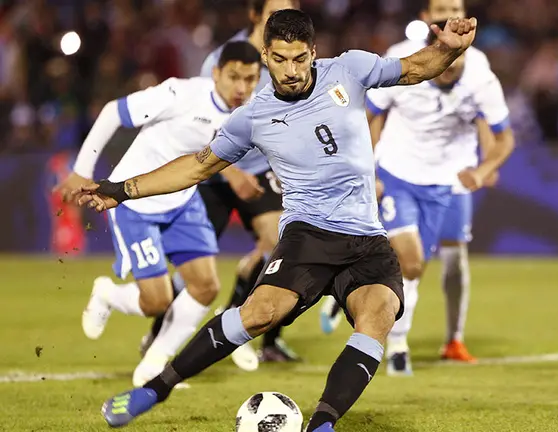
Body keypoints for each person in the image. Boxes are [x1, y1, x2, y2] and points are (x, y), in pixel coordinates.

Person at [74, 10, 478, 431]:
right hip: (308, 234)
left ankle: (321, 423)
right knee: (260, 314)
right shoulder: (253, 117)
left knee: (378, 315)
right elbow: (195, 167)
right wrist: (121, 189)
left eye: (300, 58)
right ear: (266, 56)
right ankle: (155, 388)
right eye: (281, 59)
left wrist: (446, 49)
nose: (291, 70)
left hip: (366, 238)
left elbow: (414, 68)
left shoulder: (350, 70)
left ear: (313, 53)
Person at [318, 0, 514, 376]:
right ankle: (397, 346)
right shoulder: (403, 61)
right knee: (411, 261)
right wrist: (367, 171)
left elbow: (500, 134)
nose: (449, 68)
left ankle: (451, 337)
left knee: (450, 259)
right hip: (399, 172)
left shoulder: (481, 76)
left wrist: (486, 166)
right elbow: (369, 115)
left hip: (451, 178)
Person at [53, 42, 262, 387]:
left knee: (206, 287)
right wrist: (81, 169)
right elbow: (113, 112)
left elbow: (208, 150)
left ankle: (154, 365)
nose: (241, 87)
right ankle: (108, 293)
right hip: (134, 203)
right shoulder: (180, 94)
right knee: (156, 301)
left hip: (183, 203)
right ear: (216, 73)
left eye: (250, 79)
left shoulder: (250, 111)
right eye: (234, 77)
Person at [141, 0, 303, 372]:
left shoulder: (291, 61)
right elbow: (203, 124)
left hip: (262, 167)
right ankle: (159, 333)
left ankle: (250, 331)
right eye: (272, 15)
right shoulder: (222, 58)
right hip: (214, 169)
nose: (280, 22)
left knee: (281, 242)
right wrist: (230, 173)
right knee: (193, 265)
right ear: (254, 16)